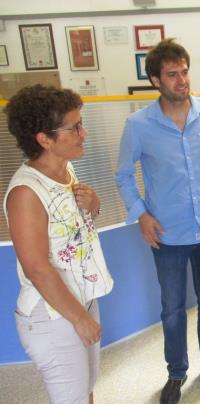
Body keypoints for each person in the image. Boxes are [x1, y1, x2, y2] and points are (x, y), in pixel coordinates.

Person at [115, 38, 200, 404]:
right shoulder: (138, 124)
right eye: (172, 74)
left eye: (184, 72)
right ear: (155, 80)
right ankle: (175, 373)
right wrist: (141, 214)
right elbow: (123, 175)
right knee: (171, 308)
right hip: (167, 232)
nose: (182, 80)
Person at [3, 84, 114, 404]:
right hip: (52, 315)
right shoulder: (26, 193)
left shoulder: (67, 170)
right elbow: (36, 268)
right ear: (44, 138)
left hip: (82, 298)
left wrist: (94, 203)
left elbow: (76, 227)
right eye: (74, 127)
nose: (84, 132)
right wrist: (79, 319)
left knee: (86, 388)